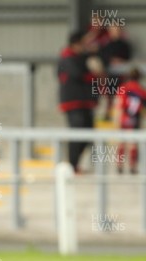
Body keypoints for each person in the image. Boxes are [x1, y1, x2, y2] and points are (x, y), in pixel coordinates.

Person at [57, 31, 101, 173]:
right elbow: (78, 74)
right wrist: (94, 74)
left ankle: (74, 165)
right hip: (73, 103)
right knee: (77, 134)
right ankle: (71, 166)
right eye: (84, 43)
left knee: (88, 134)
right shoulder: (67, 58)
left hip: (85, 103)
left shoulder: (80, 57)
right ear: (76, 44)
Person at [115, 67, 146, 174]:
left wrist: (117, 120)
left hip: (124, 118)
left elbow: (119, 105)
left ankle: (119, 166)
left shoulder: (123, 88)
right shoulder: (143, 90)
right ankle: (132, 166)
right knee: (133, 144)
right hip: (135, 119)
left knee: (121, 143)